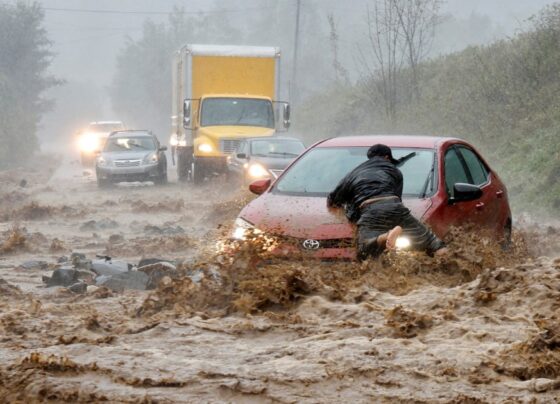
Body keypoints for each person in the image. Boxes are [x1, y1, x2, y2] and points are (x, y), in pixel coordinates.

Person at [327, 144, 447, 260]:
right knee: (433, 242)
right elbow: (397, 199)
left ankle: (385, 236)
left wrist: (348, 217)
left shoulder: (353, 174)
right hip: (395, 206)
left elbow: (332, 201)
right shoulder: (395, 171)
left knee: (363, 250)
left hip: (370, 210)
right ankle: (451, 266)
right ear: (386, 157)